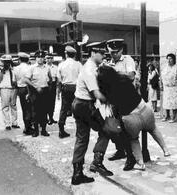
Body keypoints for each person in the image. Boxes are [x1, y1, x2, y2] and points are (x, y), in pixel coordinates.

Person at [97, 65, 170, 170]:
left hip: (130, 118)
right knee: (153, 129)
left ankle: (141, 164)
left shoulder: (107, 90)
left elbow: (108, 104)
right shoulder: (124, 78)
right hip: (144, 109)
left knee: (134, 139)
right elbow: (133, 80)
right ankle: (165, 150)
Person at [71, 42, 113, 185]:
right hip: (85, 105)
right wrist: (113, 98)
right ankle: (97, 162)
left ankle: (77, 174)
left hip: (79, 104)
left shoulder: (92, 67)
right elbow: (97, 94)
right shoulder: (89, 69)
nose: (104, 56)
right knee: (107, 130)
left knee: (82, 139)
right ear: (93, 53)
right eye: (101, 53)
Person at [105, 39, 136, 165]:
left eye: (116, 52)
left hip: (127, 99)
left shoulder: (127, 59)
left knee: (128, 128)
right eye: (111, 52)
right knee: (114, 128)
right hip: (114, 100)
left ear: (121, 50)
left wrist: (114, 74)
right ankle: (120, 150)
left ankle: (131, 156)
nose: (114, 55)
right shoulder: (109, 63)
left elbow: (131, 76)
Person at [24, 50, 51, 137]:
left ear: (44, 58)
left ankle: (44, 130)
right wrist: (35, 87)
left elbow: (50, 78)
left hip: (44, 90)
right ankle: (36, 131)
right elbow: (26, 79)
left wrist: (47, 85)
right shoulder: (32, 68)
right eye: (38, 57)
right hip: (35, 91)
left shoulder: (47, 68)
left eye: (42, 57)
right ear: (35, 58)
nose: (40, 59)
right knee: (35, 111)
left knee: (44, 111)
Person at [57, 46, 82, 138]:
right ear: (74, 55)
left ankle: (61, 130)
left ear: (66, 54)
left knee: (63, 109)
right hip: (76, 88)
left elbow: (59, 79)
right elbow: (81, 77)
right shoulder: (78, 64)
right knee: (77, 109)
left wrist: (59, 90)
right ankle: (79, 131)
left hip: (65, 88)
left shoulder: (61, 65)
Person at [0, 55, 19, 130]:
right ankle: (7, 124)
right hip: (4, 89)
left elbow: (17, 80)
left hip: (13, 89)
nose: (6, 64)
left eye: (8, 62)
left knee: (13, 106)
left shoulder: (14, 71)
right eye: (5, 62)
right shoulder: (0, 72)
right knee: (5, 107)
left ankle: (14, 123)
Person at [161, 53, 177, 123]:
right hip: (166, 87)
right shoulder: (165, 67)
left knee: (173, 103)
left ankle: (173, 117)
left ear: (174, 60)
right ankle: (166, 116)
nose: (169, 60)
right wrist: (161, 85)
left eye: (170, 59)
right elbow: (161, 77)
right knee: (166, 102)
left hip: (174, 87)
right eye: (168, 59)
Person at [14, 52, 34, 135]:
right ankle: (29, 127)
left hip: (20, 89)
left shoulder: (16, 68)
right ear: (28, 59)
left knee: (24, 109)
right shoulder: (29, 68)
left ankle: (26, 126)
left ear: (19, 60)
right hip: (28, 88)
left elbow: (14, 81)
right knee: (30, 108)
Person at [45, 54, 58, 125]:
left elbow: (57, 78)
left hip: (53, 85)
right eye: (47, 58)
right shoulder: (43, 67)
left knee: (52, 102)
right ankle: (45, 118)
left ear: (52, 59)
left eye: (50, 58)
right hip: (45, 85)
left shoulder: (55, 67)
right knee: (45, 103)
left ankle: (51, 117)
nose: (48, 59)